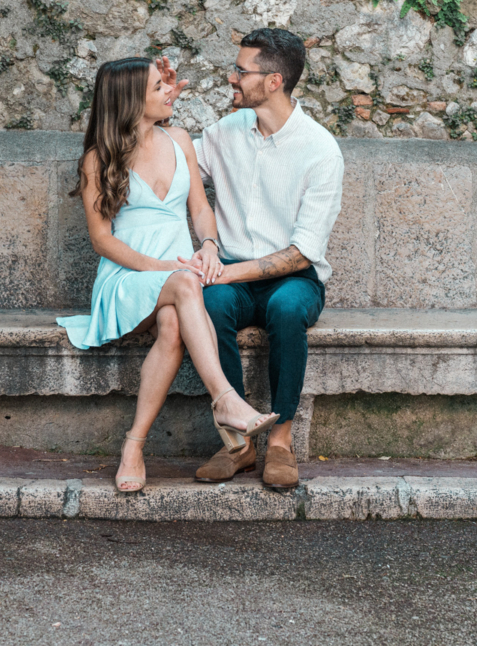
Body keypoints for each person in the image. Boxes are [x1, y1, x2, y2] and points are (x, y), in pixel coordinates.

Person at [58, 57, 280, 494]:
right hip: (127, 277)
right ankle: (226, 401)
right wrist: (170, 268)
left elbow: (199, 207)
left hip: (179, 276)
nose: (169, 92)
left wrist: (211, 246)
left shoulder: (179, 139)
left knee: (175, 320)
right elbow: (102, 240)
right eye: (158, 87)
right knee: (184, 286)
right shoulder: (98, 159)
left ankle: (133, 446)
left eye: (166, 86)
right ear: (130, 100)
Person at [166, 28, 345, 490]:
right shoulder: (225, 133)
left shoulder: (320, 149)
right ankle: (239, 443)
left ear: (273, 82)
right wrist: (157, 106)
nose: (232, 78)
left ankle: (281, 441)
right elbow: (170, 166)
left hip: (295, 279)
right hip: (233, 276)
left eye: (241, 71)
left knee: (286, 311)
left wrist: (221, 270)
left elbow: (302, 252)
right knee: (213, 305)